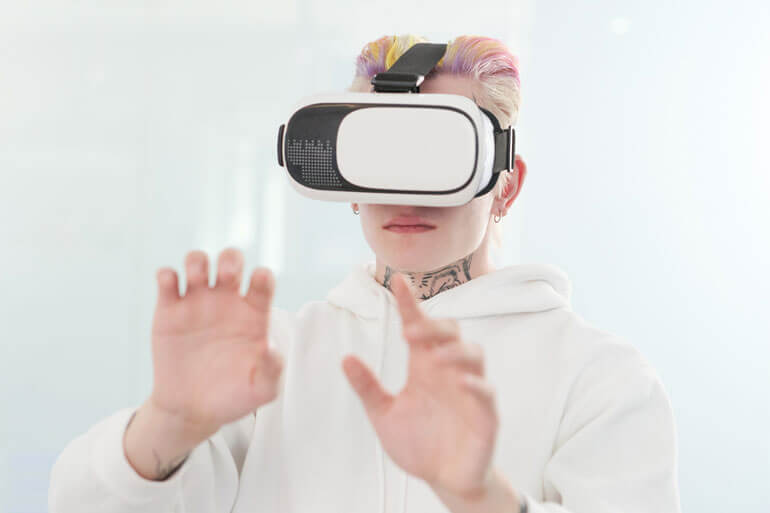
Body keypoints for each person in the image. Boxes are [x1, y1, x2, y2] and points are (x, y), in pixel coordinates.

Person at [48, 34, 682, 513]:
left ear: (505, 186)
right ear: (348, 183)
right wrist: (168, 423)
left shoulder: (600, 379)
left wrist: (480, 496)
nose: (405, 195)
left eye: (440, 155)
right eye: (382, 157)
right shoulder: (265, 362)